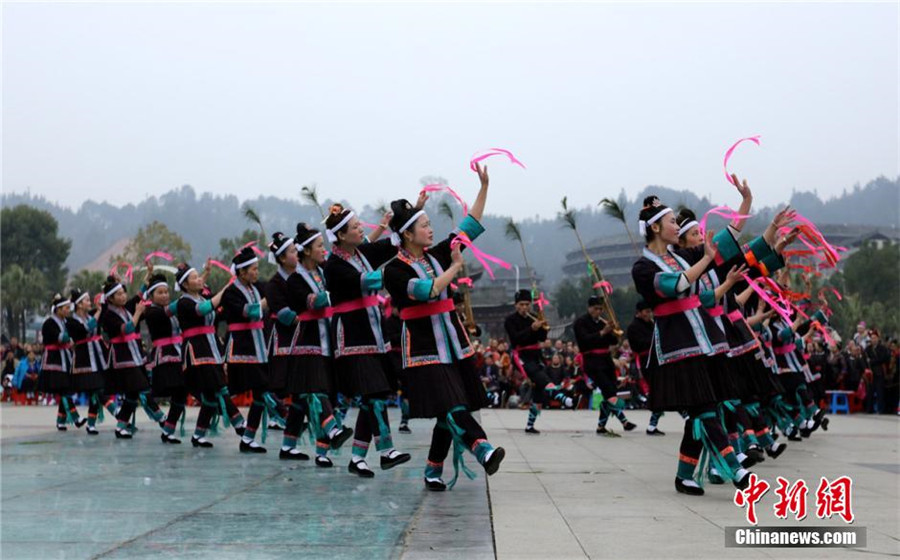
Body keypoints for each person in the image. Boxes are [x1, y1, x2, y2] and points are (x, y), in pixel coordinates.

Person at [630, 195, 791, 495]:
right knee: (707, 410)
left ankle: (685, 475)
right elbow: (675, 286)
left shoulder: (683, 258)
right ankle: (736, 469)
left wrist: (749, 205)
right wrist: (706, 259)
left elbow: (732, 247)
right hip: (678, 349)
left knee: (704, 412)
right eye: (672, 222)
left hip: (704, 342)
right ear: (654, 228)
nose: (676, 227)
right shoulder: (643, 267)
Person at [383, 161, 505, 491]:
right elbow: (428, 291)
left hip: (453, 345)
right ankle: (483, 449)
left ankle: (433, 469)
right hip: (423, 351)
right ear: (407, 234)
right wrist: (454, 269)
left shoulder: (438, 253)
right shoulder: (394, 270)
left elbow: (471, 224)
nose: (431, 229)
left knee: (447, 410)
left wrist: (484, 187)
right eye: (424, 225)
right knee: (453, 406)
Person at [323, 201, 416, 478]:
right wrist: (400, 276)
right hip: (352, 336)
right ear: (341, 235)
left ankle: (357, 458)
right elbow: (366, 281)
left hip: (372, 333)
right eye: (355, 226)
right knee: (374, 392)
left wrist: (408, 214)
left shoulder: (360, 254)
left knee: (373, 396)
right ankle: (386, 451)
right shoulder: (334, 266)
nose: (361, 227)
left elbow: (392, 244)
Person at [290, 225, 354, 465]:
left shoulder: (324, 271)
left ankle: (322, 452)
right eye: (319, 247)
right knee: (316, 393)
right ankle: (333, 431)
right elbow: (313, 302)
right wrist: (337, 292)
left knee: (328, 394)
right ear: (306, 251)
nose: (323, 251)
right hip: (308, 343)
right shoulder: (295, 280)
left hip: (329, 339)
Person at [174, 262, 247, 447]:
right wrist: (226, 289)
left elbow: (212, 309)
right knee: (220, 388)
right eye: (195, 278)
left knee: (210, 395)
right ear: (185, 285)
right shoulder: (184, 302)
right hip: (197, 353)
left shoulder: (200, 297)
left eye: (200, 276)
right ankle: (240, 424)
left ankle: (198, 435)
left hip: (210, 349)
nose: (199, 279)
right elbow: (204, 310)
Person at [221, 246, 279, 453]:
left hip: (259, 347)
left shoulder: (258, 288)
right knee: (232, 391)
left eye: (257, 268)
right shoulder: (231, 292)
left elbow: (273, 291)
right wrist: (264, 303)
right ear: (242, 272)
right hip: (241, 349)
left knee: (261, 393)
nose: (256, 272)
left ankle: (247, 437)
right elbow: (248, 312)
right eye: (253, 269)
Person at [575, 295, 635, 436]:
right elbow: (585, 341)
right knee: (608, 391)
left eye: (600, 309)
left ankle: (601, 426)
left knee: (611, 392)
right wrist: (602, 332)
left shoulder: (603, 322)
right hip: (591, 361)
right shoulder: (580, 322)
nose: (598, 312)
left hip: (606, 360)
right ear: (589, 308)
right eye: (596, 309)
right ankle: (624, 422)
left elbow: (613, 341)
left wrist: (613, 329)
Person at [141, 272, 188, 444]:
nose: (164, 295)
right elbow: (167, 314)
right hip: (164, 357)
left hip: (178, 354)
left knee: (181, 394)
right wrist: (186, 299)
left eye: (166, 292)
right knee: (163, 391)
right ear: (151, 296)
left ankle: (168, 430)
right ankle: (159, 416)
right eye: (160, 293)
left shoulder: (170, 311)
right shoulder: (151, 312)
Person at [67, 288, 113, 435]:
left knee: (96, 390)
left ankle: (91, 424)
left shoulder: (92, 314)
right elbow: (84, 330)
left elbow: (105, 309)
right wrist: (98, 312)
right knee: (96, 389)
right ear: (79, 304)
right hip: (84, 360)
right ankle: (115, 410)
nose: (89, 302)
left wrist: (109, 288)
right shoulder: (71, 321)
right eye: (86, 300)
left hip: (98, 356)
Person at [39, 294, 86, 431]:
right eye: (66, 308)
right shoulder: (49, 323)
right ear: (58, 309)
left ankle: (60, 421)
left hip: (65, 358)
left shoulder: (66, 322)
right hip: (54, 360)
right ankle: (75, 418)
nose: (68, 310)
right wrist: (71, 335)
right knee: (63, 389)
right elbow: (60, 338)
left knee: (65, 389)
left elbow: (78, 332)